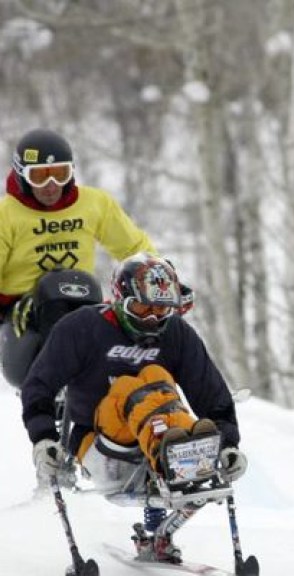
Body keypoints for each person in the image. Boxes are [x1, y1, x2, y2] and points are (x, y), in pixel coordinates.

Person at [20, 253, 246, 561]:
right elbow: (39, 385)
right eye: (143, 307)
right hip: (102, 445)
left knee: (159, 386)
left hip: (161, 433)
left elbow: (211, 393)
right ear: (120, 299)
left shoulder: (176, 334)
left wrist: (228, 443)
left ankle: (188, 459)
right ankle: (181, 456)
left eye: (162, 309)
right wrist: (44, 438)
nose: (153, 318)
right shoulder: (82, 328)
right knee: (140, 380)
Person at [0, 128, 169, 386]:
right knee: (53, 287)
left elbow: (133, 247)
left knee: (141, 316)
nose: (50, 186)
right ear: (22, 175)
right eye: (40, 177)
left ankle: (157, 385)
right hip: (26, 311)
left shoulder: (94, 204)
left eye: (59, 174)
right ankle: (66, 382)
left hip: (82, 300)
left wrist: (157, 281)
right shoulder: (7, 214)